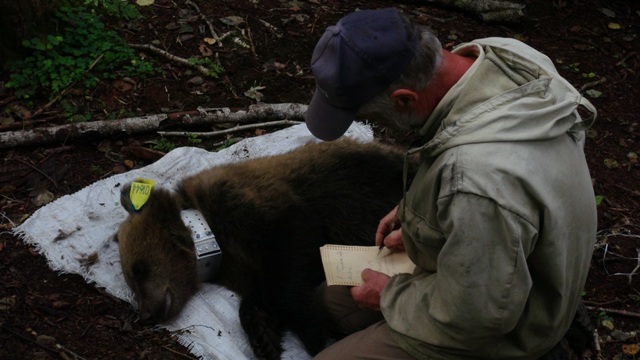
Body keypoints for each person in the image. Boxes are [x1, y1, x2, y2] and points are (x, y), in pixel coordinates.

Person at [305, 7, 598, 360]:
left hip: (508, 324)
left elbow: (476, 318)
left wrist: (390, 297)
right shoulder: (496, 55)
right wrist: (420, 214)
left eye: (369, 115)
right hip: (500, 262)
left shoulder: (476, 183)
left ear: (404, 99)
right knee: (329, 303)